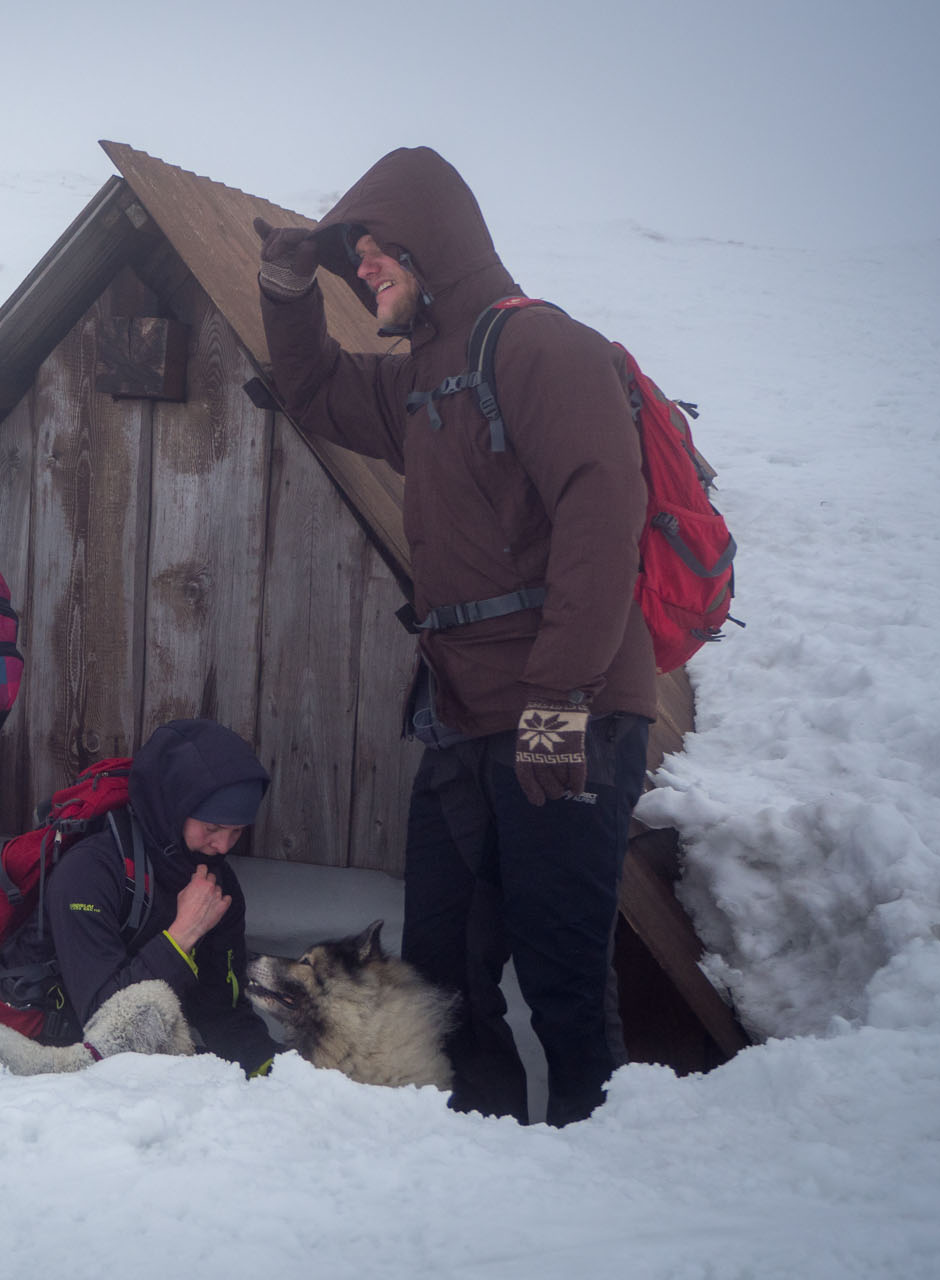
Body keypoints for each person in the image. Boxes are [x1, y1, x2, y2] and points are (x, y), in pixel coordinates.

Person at [252, 147, 655, 1124]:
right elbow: (310, 387)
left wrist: (559, 700)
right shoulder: (425, 379)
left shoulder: (540, 350)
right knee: (442, 964)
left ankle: (599, 1168)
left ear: (435, 244)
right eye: (357, 258)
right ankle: (477, 1159)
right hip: (464, 715)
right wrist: (288, 281)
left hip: (569, 707)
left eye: (380, 252)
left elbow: (604, 517)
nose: (367, 271)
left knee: (561, 963)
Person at [43, 719, 283, 1077]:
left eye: (237, 832)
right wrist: (182, 934)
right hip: (61, 1066)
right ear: (173, 806)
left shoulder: (217, 882)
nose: (222, 845)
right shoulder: (89, 873)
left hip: (157, 1063)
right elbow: (105, 1024)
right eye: (212, 828)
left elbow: (223, 1013)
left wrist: (279, 1074)